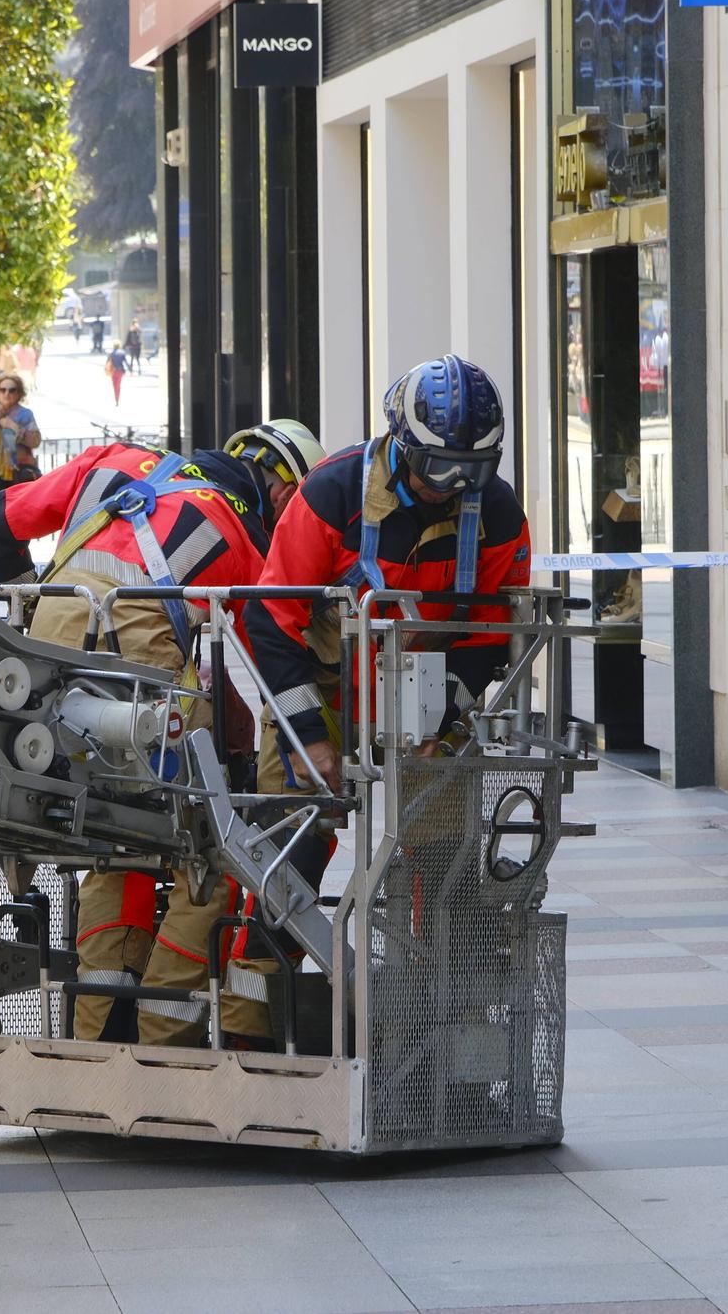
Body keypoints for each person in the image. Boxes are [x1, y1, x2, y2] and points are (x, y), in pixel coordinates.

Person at [0, 418, 327, 1046]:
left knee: (117, 839)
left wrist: (29, 607)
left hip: (33, 675)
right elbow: (268, 663)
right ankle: (164, 1031)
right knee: (212, 853)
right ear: (280, 494)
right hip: (134, 683)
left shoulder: (110, 462)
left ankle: (98, 1024)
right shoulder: (240, 536)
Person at [232, 357, 530, 1045]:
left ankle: (441, 1036)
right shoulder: (332, 493)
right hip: (325, 697)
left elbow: (491, 634)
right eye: (440, 468)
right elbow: (271, 619)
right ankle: (247, 1030)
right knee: (288, 859)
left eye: (472, 472)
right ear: (401, 442)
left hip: (425, 702)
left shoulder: (499, 513)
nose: (454, 488)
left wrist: (442, 722)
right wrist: (311, 738)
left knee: (442, 866)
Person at [0, 373, 41, 492]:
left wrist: (14, 427)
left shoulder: (26, 414)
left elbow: (36, 441)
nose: (7, 393)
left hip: (19, 471)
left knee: (20, 509)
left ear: (19, 393)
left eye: (12, 390)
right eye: (2, 390)